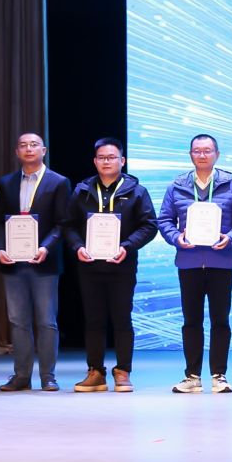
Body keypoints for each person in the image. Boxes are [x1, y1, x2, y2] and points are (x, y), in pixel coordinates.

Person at [158, 132, 232, 393]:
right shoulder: (176, 186)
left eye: (207, 151)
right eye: (197, 151)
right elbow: (164, 220)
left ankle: (219, 376)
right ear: (190, 154)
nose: (202, 155)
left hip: (221, 261)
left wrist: (230, 238)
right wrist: (176, 238)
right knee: (191, 321)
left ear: (217, 154)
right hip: (188, 262)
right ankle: (192, 376)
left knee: (220, 320)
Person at [63, 138, 159, 393]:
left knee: (122, 319)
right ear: (95, 161)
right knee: (93, 320)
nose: (107, 162)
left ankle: (123, 371)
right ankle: (95, 371)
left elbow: (149, 225)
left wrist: (127, 246)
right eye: (102, 158)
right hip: (89, 265)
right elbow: (68, 225)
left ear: (122, 161)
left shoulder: (137, 191)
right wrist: (77, 247)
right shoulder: (82, 190)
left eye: (112, 157)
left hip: (122, 265)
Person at [0, 131, 70, 391]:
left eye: (34, 145)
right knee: (18, 321)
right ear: (17, 152)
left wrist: (46, 247)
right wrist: (0, 248)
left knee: (46, 321)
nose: (28, 149)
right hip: (13, 262)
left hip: (44, 262)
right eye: (23, 145)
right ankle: (21, 376)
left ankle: (48, 376)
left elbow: (62, 223)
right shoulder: (6, 182)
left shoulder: (58, 182)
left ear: (43, 151)